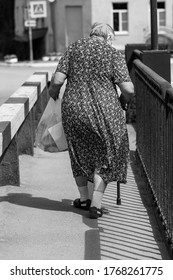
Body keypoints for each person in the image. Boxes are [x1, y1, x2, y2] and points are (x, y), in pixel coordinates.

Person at [48, 22, 134, 219]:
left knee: (79, 152)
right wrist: (122, 101)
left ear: (92, 34)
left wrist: (53, 96)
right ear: (109, 38)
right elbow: (128, 90)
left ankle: (83, 198)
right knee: (108, 155)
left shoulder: (74, 48)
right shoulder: (112, 54)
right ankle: (96, 203)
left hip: (74, 109)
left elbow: (57, 81)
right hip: (106, 112)